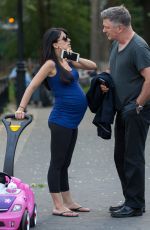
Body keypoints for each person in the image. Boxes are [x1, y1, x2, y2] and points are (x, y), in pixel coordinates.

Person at [15, 27, 97, 217]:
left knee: (65, 163)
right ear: (55, 43)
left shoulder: (67, 60)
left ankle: (68, 201)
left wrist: (71, 55)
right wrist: (21, 108)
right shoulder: (51, 64)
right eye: (64, 38)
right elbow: (33, 84)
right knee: (57, 162)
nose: (69, 40)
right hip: (61, 120)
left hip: (72, 121)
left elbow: (92, 65)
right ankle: (58, 205)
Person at [100, 5, 150, 218]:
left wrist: (138, 104)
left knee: (132, 157)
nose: (104, 30)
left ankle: (136, 205)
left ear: (119, 27)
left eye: (107, 26)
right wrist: (106, 81)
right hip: (123, 110)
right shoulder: (117, 45)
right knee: (121, 156)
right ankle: (131, 199)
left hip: (136, 110)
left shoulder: (138, 47)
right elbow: (116, 70)